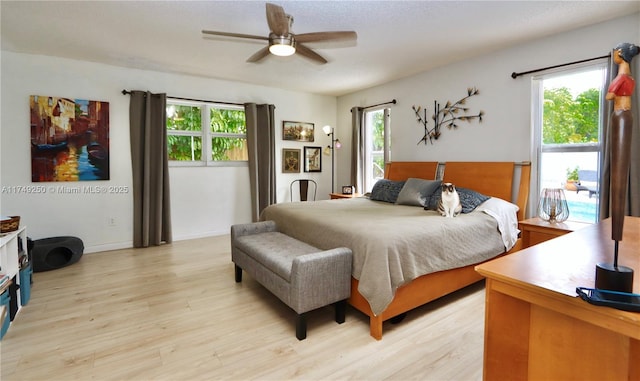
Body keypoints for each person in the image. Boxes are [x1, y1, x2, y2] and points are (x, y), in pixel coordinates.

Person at [605, 42, 639, 243]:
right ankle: (616, 234)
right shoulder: (628, 78)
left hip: (621, 116)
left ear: (620, 54)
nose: (613, 55)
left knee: (621, 170)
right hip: (622, 116)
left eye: (615, 53)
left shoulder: (621, 78)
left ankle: (618, 236)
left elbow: (610, 95)